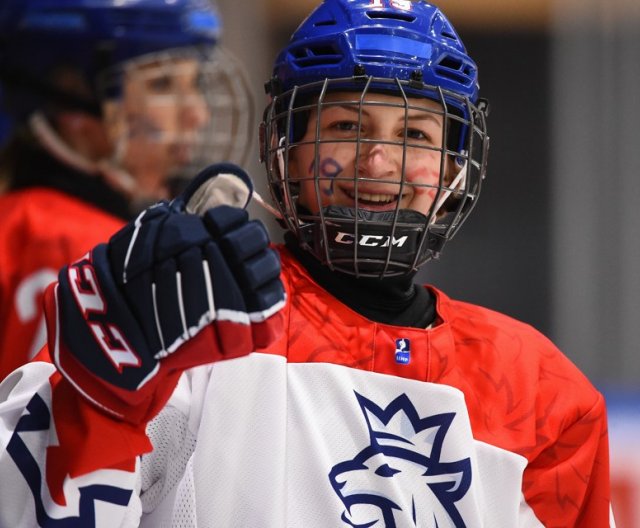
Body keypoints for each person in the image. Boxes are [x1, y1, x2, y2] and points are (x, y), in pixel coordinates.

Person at [0, 1, 615, 527]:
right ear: (286, 153)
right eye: (346, 126)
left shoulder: (544, 396)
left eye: (417, 137)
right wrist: (97, 402)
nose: (378, 164)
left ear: (454, 172)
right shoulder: (194, 324)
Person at [0, 0, 253, 379]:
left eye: (195, 83)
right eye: (162, 84)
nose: (197, 114)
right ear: (71, 99)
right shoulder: (50, 237)